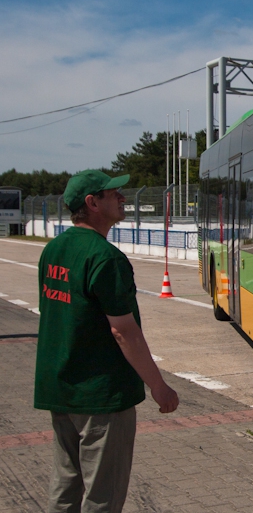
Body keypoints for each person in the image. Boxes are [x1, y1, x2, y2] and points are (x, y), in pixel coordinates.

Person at [34, 170, 179, 513]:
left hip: (61, 386)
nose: (123, 198)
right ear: (92, 203)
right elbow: (122, 331)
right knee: (103, 496)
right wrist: (158, 386)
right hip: (100, 394)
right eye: (114, 193)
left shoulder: (53, 250)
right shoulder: (106, 258)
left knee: (65, 486)